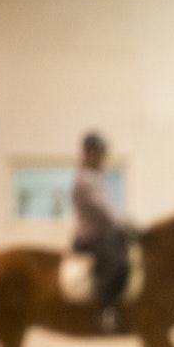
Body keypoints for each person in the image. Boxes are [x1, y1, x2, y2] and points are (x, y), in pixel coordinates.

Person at [72, 131, 133, 333]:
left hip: (105, 234)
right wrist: (127, 226)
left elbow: (114, 208)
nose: (102, 158)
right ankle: (104, 311)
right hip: (91, 237)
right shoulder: (85, 181)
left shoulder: (99, 177)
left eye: (102, 153)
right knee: (119, 265)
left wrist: (130, 223)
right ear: (88, 154)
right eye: (98, 153)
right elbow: (104, 211)